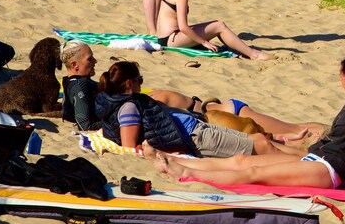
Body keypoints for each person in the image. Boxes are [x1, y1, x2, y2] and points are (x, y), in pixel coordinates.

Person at [151, 54, 345, 198]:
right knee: (242, 160)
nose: (341, 83)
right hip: (317, 158)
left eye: (341, 78)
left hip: (328, 169)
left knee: (253, 175)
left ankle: (183, 174)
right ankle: (181, 163)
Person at [62, 44, 321, 137]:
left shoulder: (150, 101)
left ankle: (331, 131)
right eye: (90, 60)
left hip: (224, 112)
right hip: (220, 110)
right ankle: (329, 132)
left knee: (295, 129)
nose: (95, 62)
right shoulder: (143, 100)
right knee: (290, 129)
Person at [95, 61, 299, 156]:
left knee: (262, 140)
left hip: (198, 125)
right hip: (195, 134)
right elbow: (130, 147)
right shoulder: (129, 106)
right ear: (129, 84)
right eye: (140, 80)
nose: (142, 83)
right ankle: (307, 160)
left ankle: (306, 154)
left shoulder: (123, 101)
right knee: (264, 144)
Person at [61, 41, 100, 130]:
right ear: (75, 65)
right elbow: (85, 126)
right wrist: (115, 122)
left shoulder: (69, 81)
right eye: (90, 59)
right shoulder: (80, 86)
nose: (95, 61)